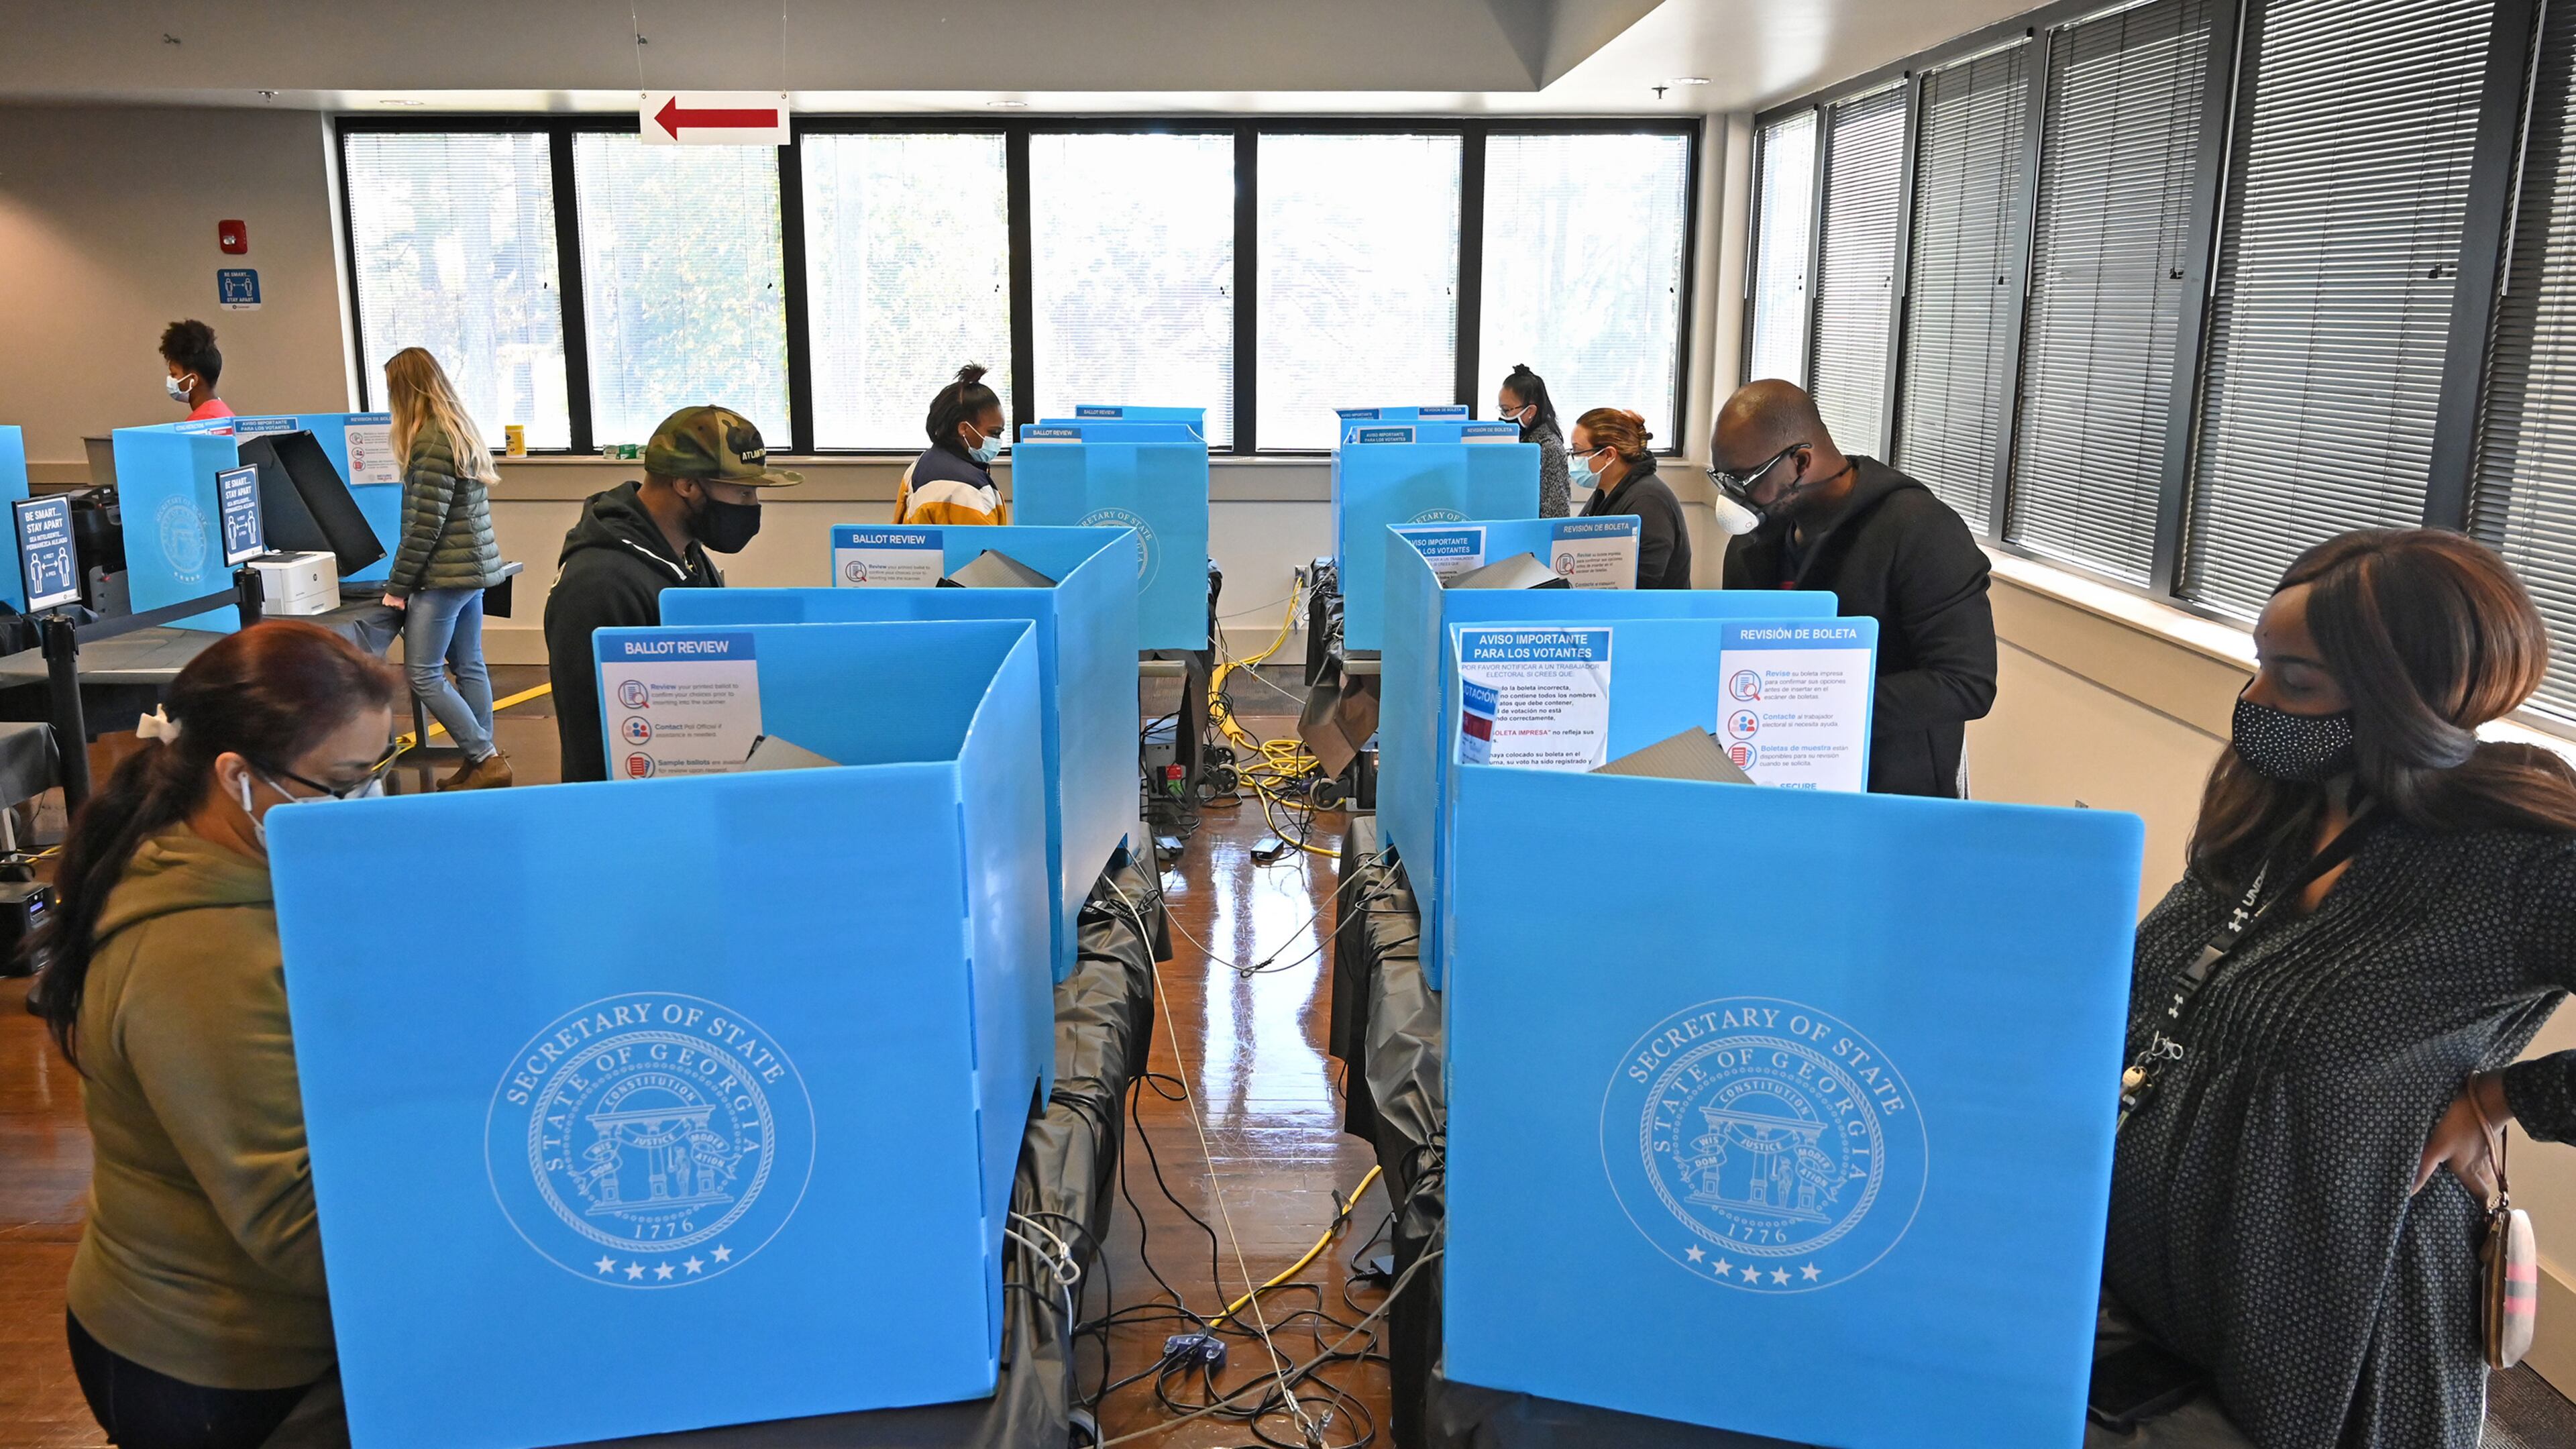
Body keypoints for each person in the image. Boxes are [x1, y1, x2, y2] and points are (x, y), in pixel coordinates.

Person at [2102, 529, 2576, 1449]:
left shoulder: (2520, 864)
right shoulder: (2273, 801)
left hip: (2337, 1316)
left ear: (2409, 695)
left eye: (2298, 682)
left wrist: (2509, 1095)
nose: (2254, 701)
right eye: (2259, 667)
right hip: (2154, 1291)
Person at [30, 622, 402, 1449]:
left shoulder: (224, 861)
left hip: (255, 1331)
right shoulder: (198, 960)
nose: (359, 808)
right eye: (341, 784)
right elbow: (296, 1228)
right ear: (237, 779)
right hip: (221, 1370)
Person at [1710, 379, 1994, 797]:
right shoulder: (1753, 545)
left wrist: (1812, 705)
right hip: (1771, 777)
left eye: (1742, 480)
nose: (1731, 497)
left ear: (1801, 462)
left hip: (1893, 791)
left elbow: (1967, 683)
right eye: (1721, 479)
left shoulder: (1919, 530)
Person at [543, 405, 801, 784]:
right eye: (744, 492)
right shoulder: (598, 584)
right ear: (687, 485)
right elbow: (593, 739)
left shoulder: (685, 553)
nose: (753, 506)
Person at [381, 347, 512, 791]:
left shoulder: (431, 439)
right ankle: (481, 763)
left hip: (445, 576)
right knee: (469, 665)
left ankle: (485, 757)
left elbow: (423, 526)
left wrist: (397, 587)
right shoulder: (458, 429)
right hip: (472, 571)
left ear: (406, 390)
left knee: (423, 672)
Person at [1569, 407, 1690, 588]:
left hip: (1651, 612)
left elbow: (1642, 582)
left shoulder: (1649, 503)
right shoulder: (1607, 491)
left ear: (1609, 455)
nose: (1573, 459)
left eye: (1577, 452)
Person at [893, 364, 1008, 526]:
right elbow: (985, 549)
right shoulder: (968, 489)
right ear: (964, 429)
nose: (997, 441)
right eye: (994, 433)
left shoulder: (921, 464)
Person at [1498, 364, 1570, 518]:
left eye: (1507, 410)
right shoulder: (1522, 441)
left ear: (1530, 411)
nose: (1502, 417)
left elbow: (1556, 513)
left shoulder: (1549, 448)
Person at [159, 320, 233, 423]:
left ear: (193, 380)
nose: (171, 379)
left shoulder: (203, 422)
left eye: (174, 374)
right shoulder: (220, 412)